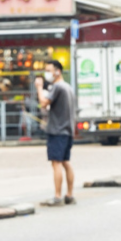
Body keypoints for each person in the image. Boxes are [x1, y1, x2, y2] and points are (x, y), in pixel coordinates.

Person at [35, 60, 76, 206]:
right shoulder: (68, 87)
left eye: (48, 70)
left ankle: (58, 196)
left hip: (57, 131)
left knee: (56, 163)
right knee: (66, 162)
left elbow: (44, 102)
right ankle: (69, 195)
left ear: (57, 71)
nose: (47, 73)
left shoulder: (57, 87)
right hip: (68, 131)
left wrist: (39, 87)